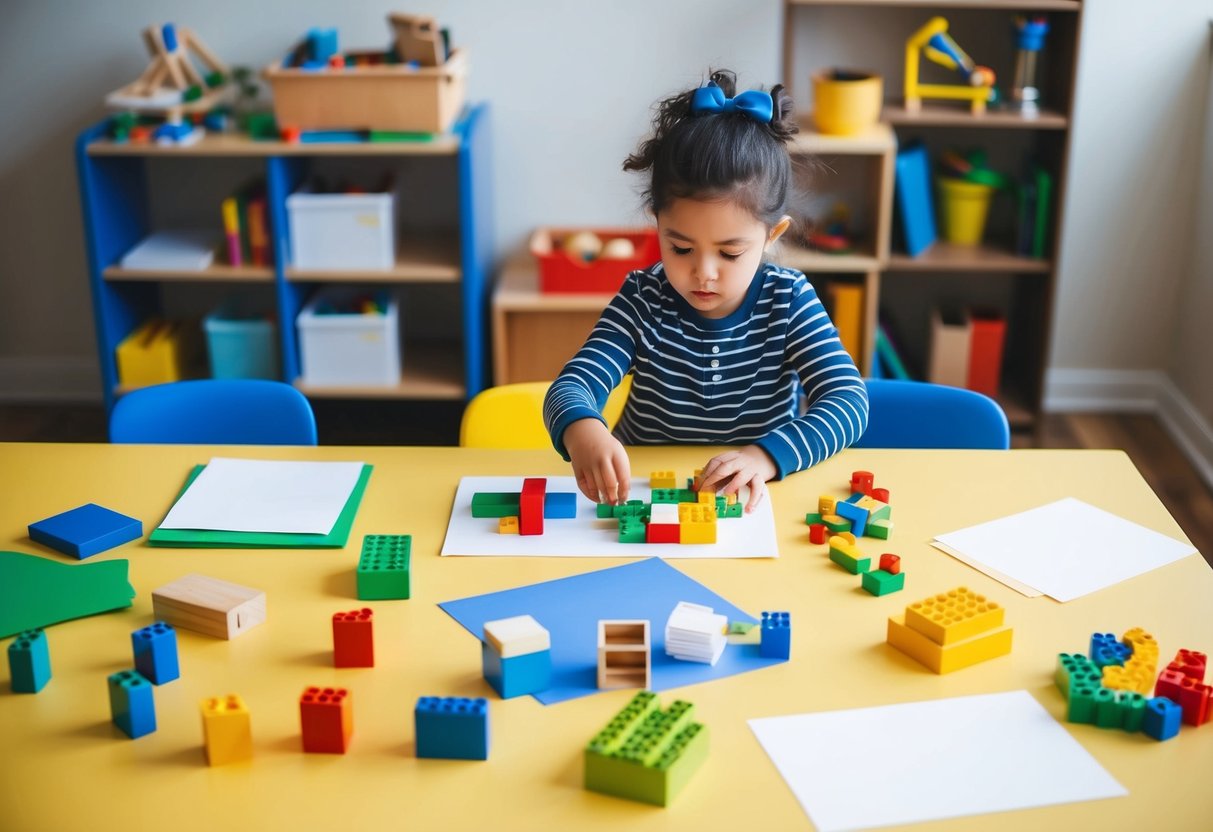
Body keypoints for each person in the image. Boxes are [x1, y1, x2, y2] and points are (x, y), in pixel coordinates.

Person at [543, 69, 869, 512]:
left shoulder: (789, 299)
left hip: (757, 497)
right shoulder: (642, 299)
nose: (704, 273)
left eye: (730, 253)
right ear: (656, 223)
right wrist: (583, 428)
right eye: (680, 247)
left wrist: (767, 456)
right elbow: (573, 385)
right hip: (641, 497)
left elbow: (848, 401)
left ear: (773, 235)